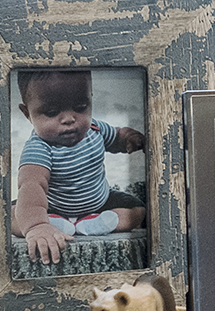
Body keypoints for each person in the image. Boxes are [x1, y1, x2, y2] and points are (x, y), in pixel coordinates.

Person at [10, 70, 146, 265]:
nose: (69, 119)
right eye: (51, 112)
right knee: (13, 215)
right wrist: (37, 225)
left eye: (80, 107)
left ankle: (93, 224)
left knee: (137, 209)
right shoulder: (39, 147)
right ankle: (53, 223)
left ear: (90, 99)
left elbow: (116, 137)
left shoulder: (95, 130)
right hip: (52, 207)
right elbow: (32, 186)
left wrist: (128, 139)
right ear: (27, 114)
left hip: (100, 202)